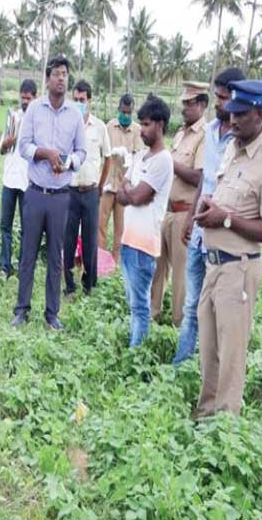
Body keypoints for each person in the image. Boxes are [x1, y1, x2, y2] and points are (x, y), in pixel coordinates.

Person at [194, 79, 262, 417]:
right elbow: (225, 198)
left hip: (239, 268)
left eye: (241, 114)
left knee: (231, 355)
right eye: (231, 113)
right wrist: (210, 205)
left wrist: (226, 219)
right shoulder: (233, 150)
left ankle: (225, 426)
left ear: (261, 114)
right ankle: (206, 417)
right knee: (208, 349)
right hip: (214, 265)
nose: (232, 121)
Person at [171, 67, 245, 366]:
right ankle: (181, 364)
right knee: (192, 305)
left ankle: (208, 368)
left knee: (214, 310)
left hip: (223, 237)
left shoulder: (243, 141)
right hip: (200, 233)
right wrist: (190, 216)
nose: (219, 102)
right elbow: (206, 181)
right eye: (218, 96)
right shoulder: (213, 132)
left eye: (224, 98)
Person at [12, 56, 87, 331]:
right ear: (47, 78)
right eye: (56, 74)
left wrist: (67, 162)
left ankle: (52, 313)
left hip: (60, 196)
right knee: (28, 254)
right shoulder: (34, 109)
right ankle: (21, 309)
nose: (61, 79)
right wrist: (44, 153)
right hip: (35, 193)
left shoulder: (75, 114)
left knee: (56, 257)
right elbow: (24, 147)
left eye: (65, 74)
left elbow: (82, 152)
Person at [117, 95, 174, 347]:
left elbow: (139, 196)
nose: (142, 129)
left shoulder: (164, 161)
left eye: (147, 124)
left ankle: (136, 352)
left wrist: (129, 189)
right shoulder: (140, 157)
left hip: (144, 246)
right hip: (128, 241)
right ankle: (134, 346)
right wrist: (130, 189)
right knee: (132, 302)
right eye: (141, 124)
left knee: (140, 305)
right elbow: (121, 194)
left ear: (160, 125)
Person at [151, 82, 208, 326]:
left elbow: (199, 177)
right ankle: (151, 315)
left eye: (190, 103)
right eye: (183, 102)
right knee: (157, 269)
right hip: (167, 209)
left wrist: (168, 163)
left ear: (203, 105)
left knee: (181, 277)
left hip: (185, 213)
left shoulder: (204, 137)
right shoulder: (181, 133)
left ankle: (178, 324)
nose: (184, 107)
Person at [64, 80, 111, 297]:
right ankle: (69, 283)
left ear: (89, 101)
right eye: (76, 99)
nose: (79, 103)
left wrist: (100, 186)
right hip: (70, 192)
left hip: (91, 191)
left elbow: (107, 158)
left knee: (91, 240)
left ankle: (89, 284)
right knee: (69, 238)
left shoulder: (100, 127)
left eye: (82, 100)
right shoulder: (67, 125)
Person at [99, 94, 146, 263]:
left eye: (129, 113)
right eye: (123, 112)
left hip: (124, 187)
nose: (126, 116)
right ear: (118, 109)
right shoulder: (109, 127)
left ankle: (115, 262)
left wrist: (128, 158)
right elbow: (102, 153)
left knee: (121, 228)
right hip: (107, 184)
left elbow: (139, 157)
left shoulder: (136, 130)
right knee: (101, 225)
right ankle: (101, 261)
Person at [0, 79, 37, 279]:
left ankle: (23, 267)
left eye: (28, 98)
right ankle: (5, 267)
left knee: (26, 227)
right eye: (22, 97)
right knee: (5, 225)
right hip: (9, 179)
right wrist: (6, 143)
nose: (25, 101)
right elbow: (1, 150)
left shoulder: (38, 123)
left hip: (27, 182)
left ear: (35, 98)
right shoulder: (13, 118)